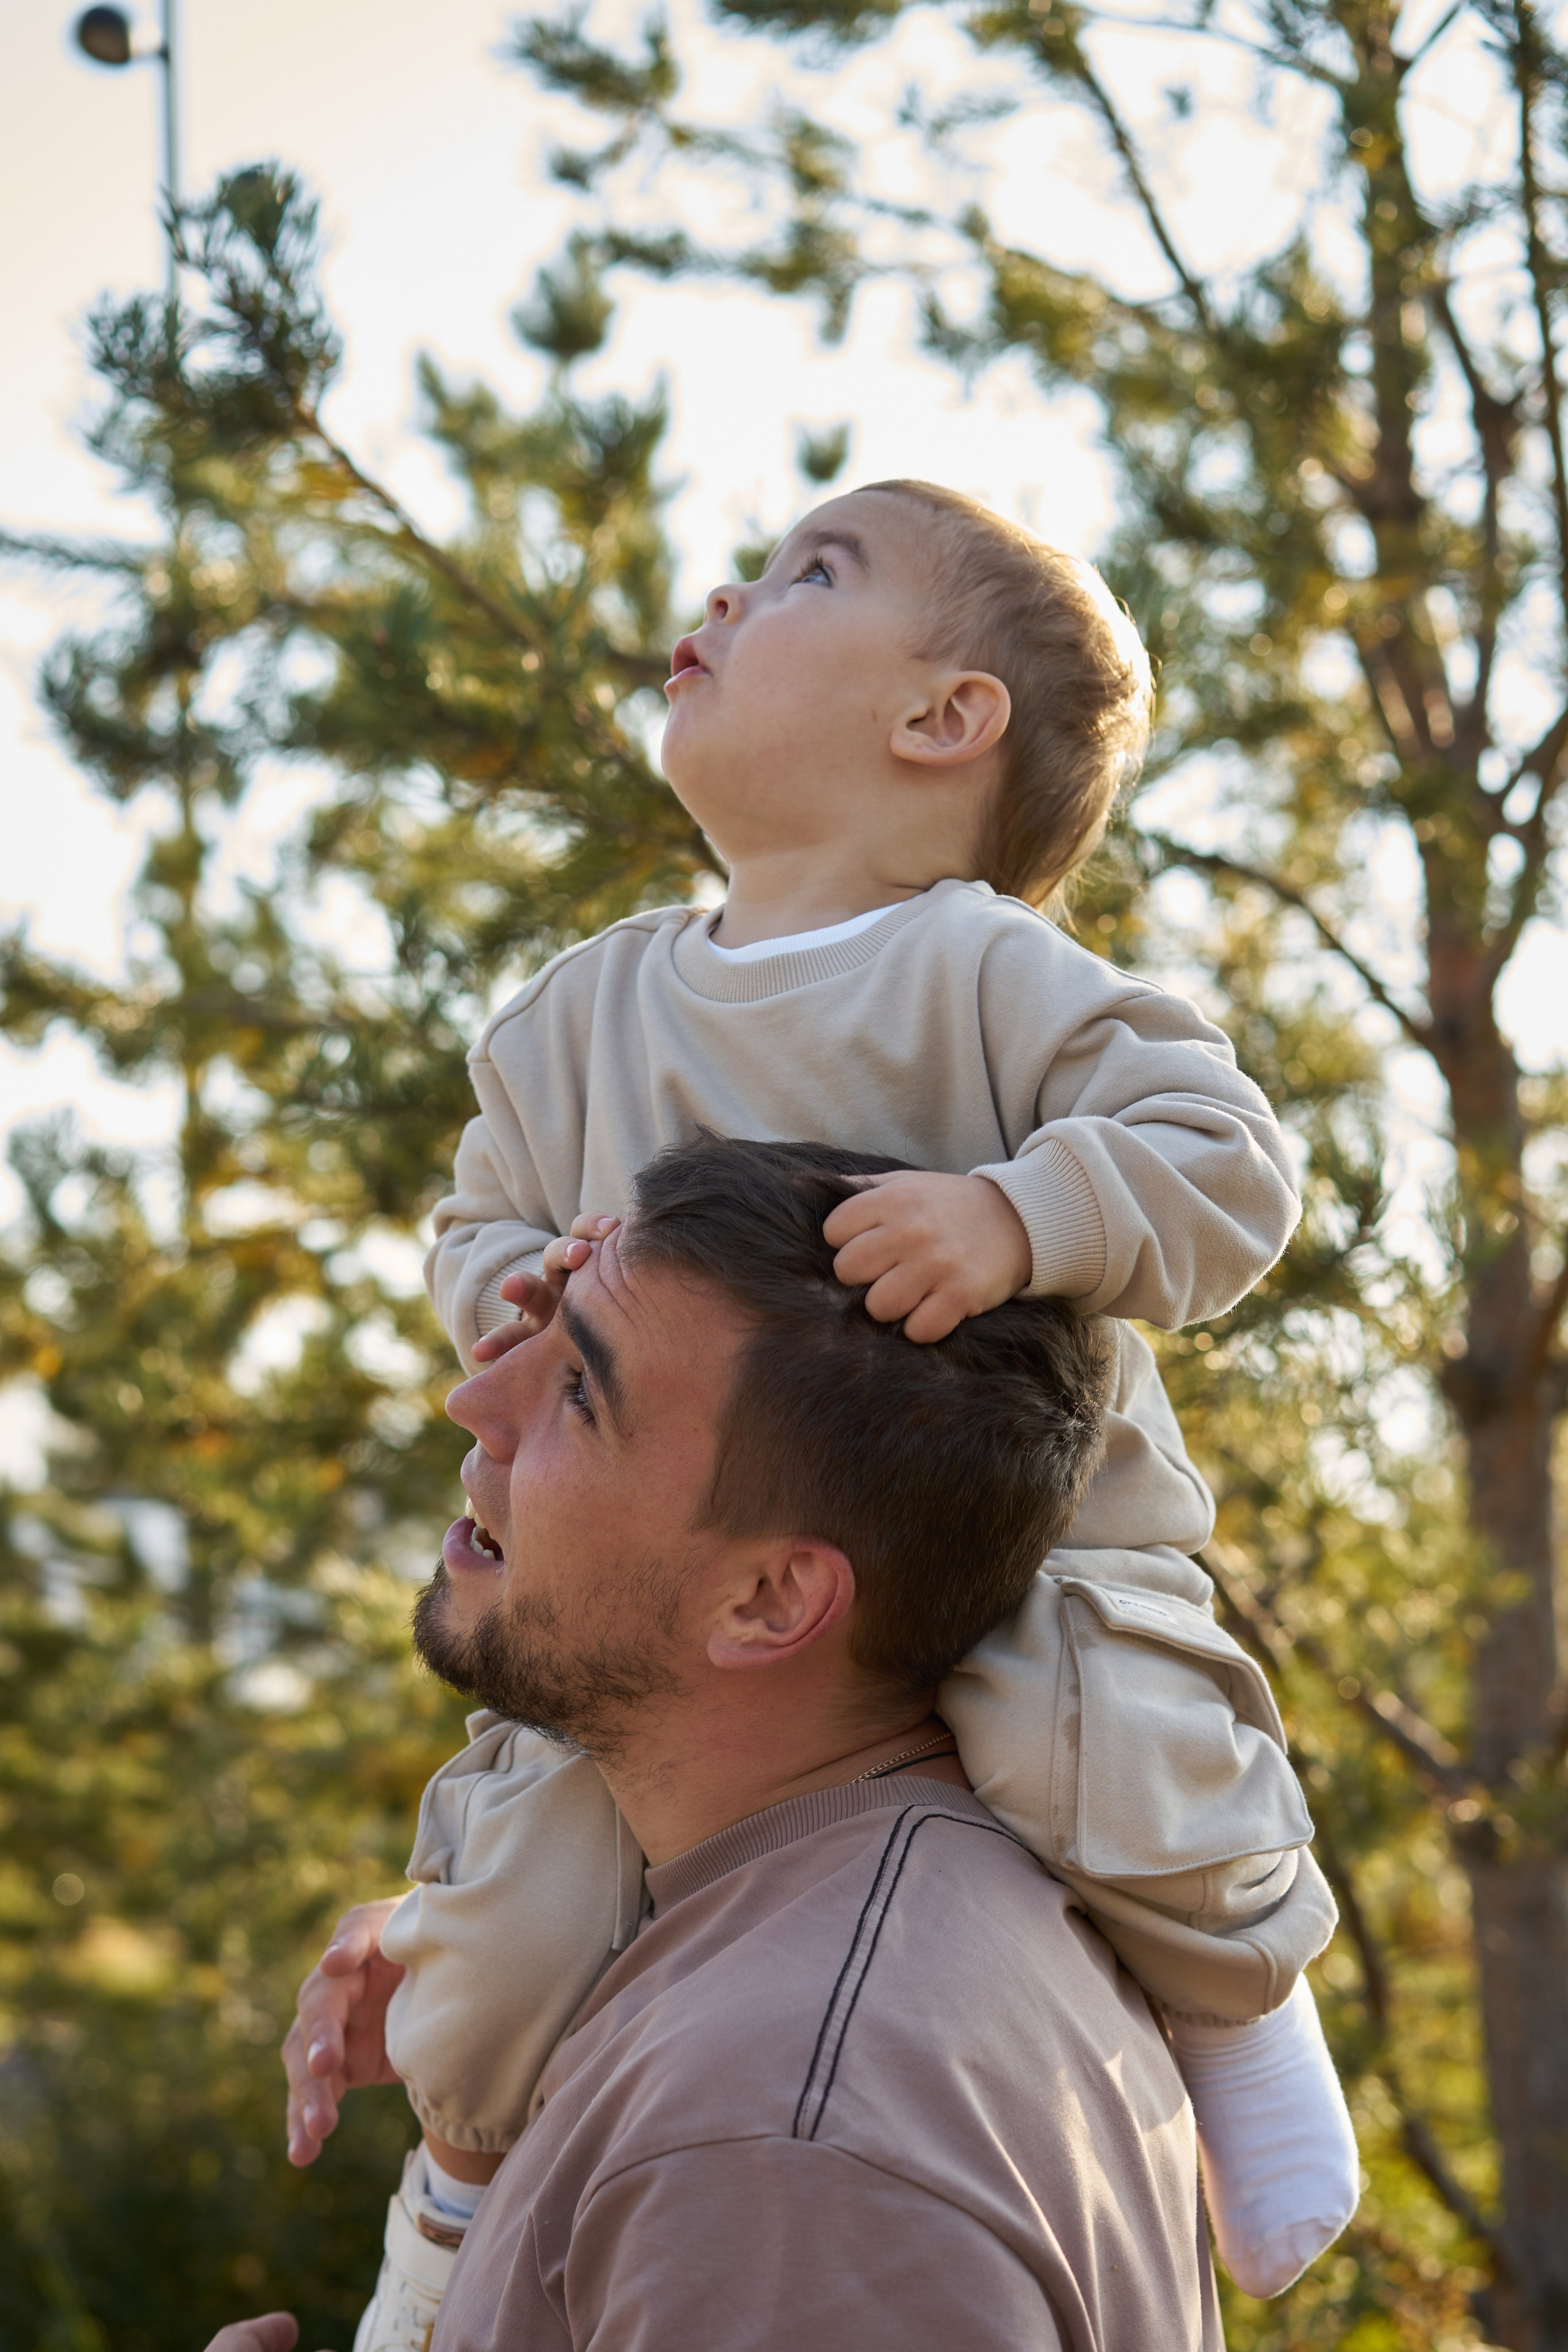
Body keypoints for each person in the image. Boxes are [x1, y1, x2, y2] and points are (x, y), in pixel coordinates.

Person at [292, 481, 1358, 2345]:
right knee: (510, 1923)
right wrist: (518, 1290)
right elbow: (479, 1223)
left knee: (1094, 1745)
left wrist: (1023, 1214)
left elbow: (1225, 1162)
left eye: (812, 576)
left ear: (944, 718)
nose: (728, 589)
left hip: (1024, 1540)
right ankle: (449, 2231)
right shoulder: (582, 1010)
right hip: (714, 1577)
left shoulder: (987, 971)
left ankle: (1245, 2022)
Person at [273, 1136, 1221, 2350]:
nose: (476, 1399)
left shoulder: (774, 2134)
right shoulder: (851, 1956)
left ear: (770, 1600)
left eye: (580, 1394)